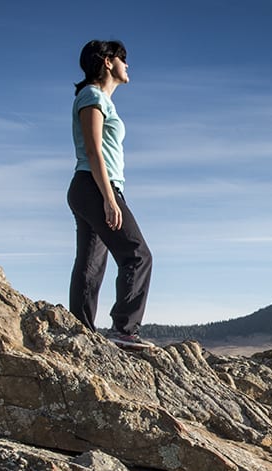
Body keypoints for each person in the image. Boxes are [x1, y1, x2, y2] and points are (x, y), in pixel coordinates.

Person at [67, 39, 154, 350]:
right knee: (137, 255)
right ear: (107, 61)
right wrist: (109, 198)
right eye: (123, 59)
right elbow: (93, 150)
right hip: (95, 185)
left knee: (91, 264)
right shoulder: (91, 96)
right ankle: (124, 329)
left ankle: (81, 332)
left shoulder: (100, 98)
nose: (127, 65)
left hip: (89, 187)